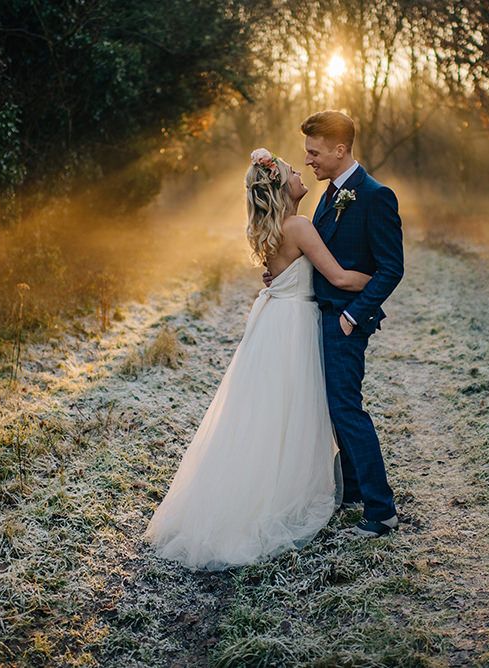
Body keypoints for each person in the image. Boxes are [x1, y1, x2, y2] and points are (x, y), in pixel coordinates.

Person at [144, 147, 374, 570]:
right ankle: (286, 494)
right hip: (294, 325)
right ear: (280, 186)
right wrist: (381, 274)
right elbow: (339, 276)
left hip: (272, 321)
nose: (300, 172)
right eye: (290, 170)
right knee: (295, 410)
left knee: (266, 412)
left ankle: (253, 488)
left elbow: (282, 272)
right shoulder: (300, 226)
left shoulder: (267, 229)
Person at [263, 110, 404, 538]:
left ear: (340, 150)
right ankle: (355, 492)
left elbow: (391, 268)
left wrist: (351, 315)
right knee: (333, 409)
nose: (308, 160)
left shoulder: (375, 196)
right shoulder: (328, 194)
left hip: (344, 321)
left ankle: (382, 512)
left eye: (315, 151)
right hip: (317, 317)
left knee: (346, 409)